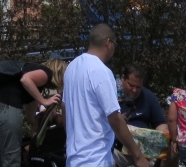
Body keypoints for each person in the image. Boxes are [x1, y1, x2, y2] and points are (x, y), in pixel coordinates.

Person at [63, 24, 149, 167]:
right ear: (108, 43)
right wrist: (138, 156)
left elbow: (66, 110)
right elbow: (115, 119)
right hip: (95, 160)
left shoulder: (71, 68)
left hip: (74, 160)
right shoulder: (101, 71)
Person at [0, 58, 62, 167]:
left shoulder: (33, 88)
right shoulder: (46, 73)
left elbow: (31, 119)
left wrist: (49, 116)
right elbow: (25, 80)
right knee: (11, 159)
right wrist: (44, 101)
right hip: (6, 107)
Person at [118, 65, 168, 133]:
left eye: (138, 87)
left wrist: (164, 134)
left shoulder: (149, 97)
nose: (134, 90)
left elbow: (160, 123)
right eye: (131, 85)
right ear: (123, 79)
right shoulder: (112, 95)